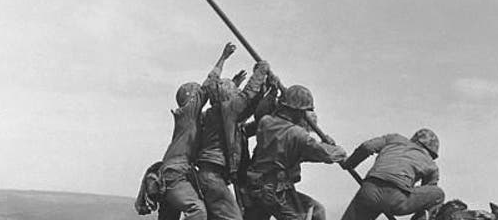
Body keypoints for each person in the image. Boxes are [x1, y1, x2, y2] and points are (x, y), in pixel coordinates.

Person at [243, 85, 347, 220]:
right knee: (312, 213)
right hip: (274, 191)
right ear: (298, 111)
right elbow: (326, 154)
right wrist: (337, 150)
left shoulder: (266, 122)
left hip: (256, 186)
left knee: (316, 210)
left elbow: (297, 153)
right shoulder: (297, 134)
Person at [197, 42, 271, 220]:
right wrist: (261, 71)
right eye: (234, 92)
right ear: (227, 97)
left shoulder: (220, 117)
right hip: (212, 176)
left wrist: (267, 90)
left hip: (212, 175)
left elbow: (249, 113)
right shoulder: (226, 110)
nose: (238, 93)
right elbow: (246, 98)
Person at [134, 82, 209, 220]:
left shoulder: (191, 120)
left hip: (171, 174)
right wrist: (222, 61)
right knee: (198, 211)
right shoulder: (187, 115)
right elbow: (206, 89)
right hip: (174, 174)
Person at [339, 129, 445, 220]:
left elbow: (367, 147)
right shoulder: (431, 165)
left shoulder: (394, 139)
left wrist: (349, 163)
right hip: (396, 200)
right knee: (438, 194)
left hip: (369, 192)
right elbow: (426, 194)